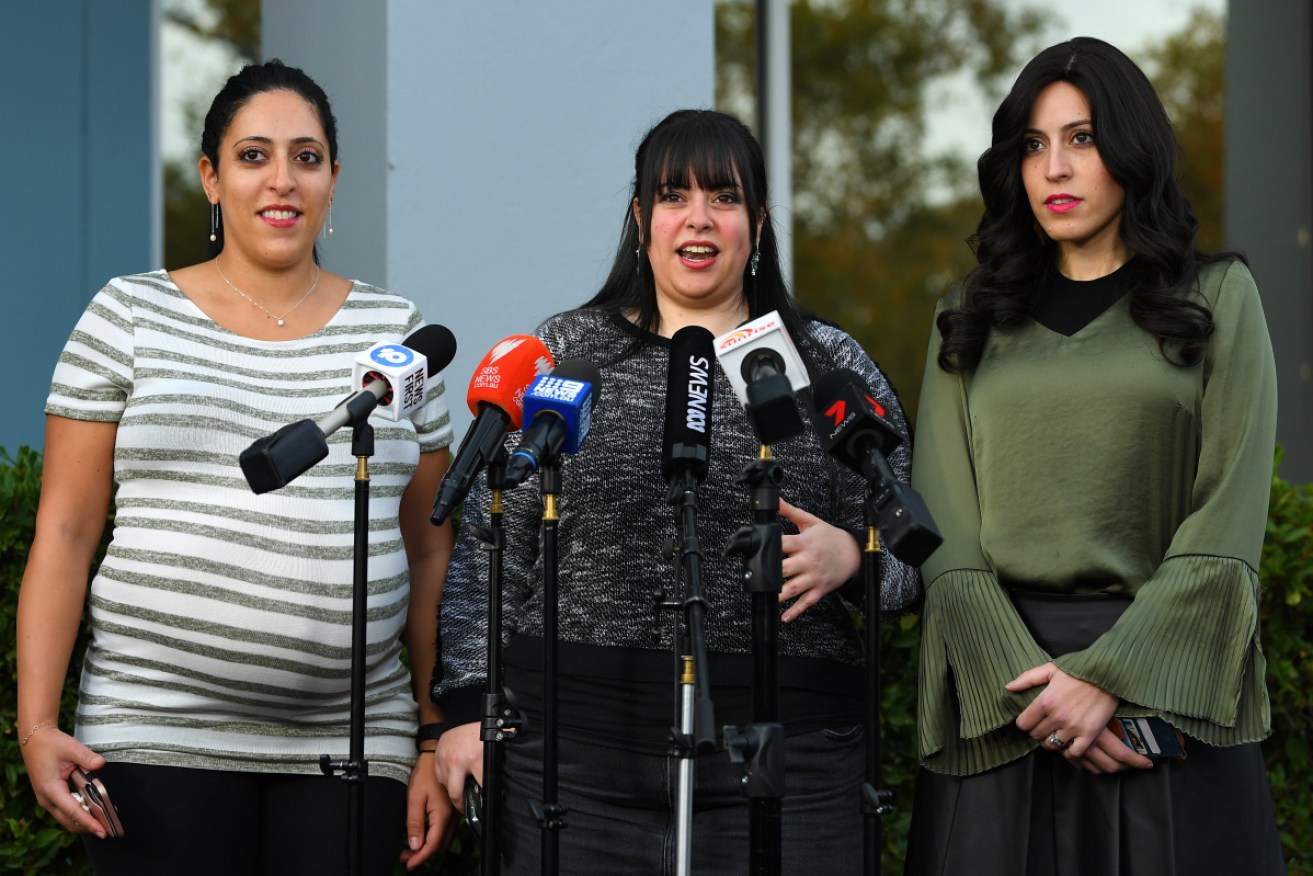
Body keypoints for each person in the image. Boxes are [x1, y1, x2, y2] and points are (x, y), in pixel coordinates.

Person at [432, 108, 921, 874]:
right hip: (572, 750)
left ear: (756, 223)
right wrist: (463, 708)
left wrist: (855, 559)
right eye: (672, 196)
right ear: (640, 218)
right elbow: (491, 550)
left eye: (723, 198)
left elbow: (912, 558)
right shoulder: (569, 349)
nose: (698, 219)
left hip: (790, 759)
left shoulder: (827, 363)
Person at [16, 60, 456, 875]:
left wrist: (434, 732)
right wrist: (37, 726)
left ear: (332, 181)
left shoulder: (395, 332)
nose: (281, 180)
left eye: (307, 156)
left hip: (353, 743)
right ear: (211, 178)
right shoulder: (129, 315)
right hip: (152, 732)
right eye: (253, 156)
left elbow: (432, 549)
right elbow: (67, 529)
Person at [904, 37, 1283, 874]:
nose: (1055, 169)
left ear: (1131, 149)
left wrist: (1109, 680)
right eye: (1033, 145)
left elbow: (1224, 528)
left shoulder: (1218, 299)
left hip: (1163, 704)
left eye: (1081, 138)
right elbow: (946, 543)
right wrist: (1045, 697)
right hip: (1004, 703)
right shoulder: (965, 317)